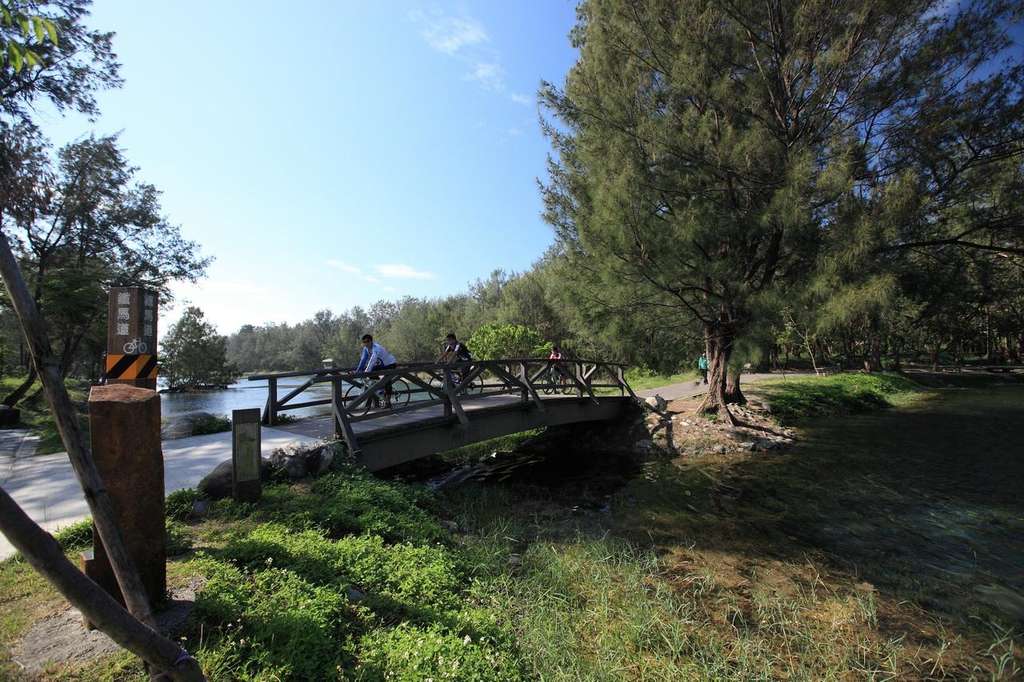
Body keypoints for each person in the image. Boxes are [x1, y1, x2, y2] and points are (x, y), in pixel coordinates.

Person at [354, 334, 398, 407]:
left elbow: (372, 360)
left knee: (386, 380)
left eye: (367, 341)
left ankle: (388, 402)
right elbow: (363, 360)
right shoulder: (365, 348)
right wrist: (357, 370)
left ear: (371, 341)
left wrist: (366, 372)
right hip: (382, 365)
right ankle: (381, 388)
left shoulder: (376, 348)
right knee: (372, 374)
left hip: (390, 364)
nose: (366, 344)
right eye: (364, 342)